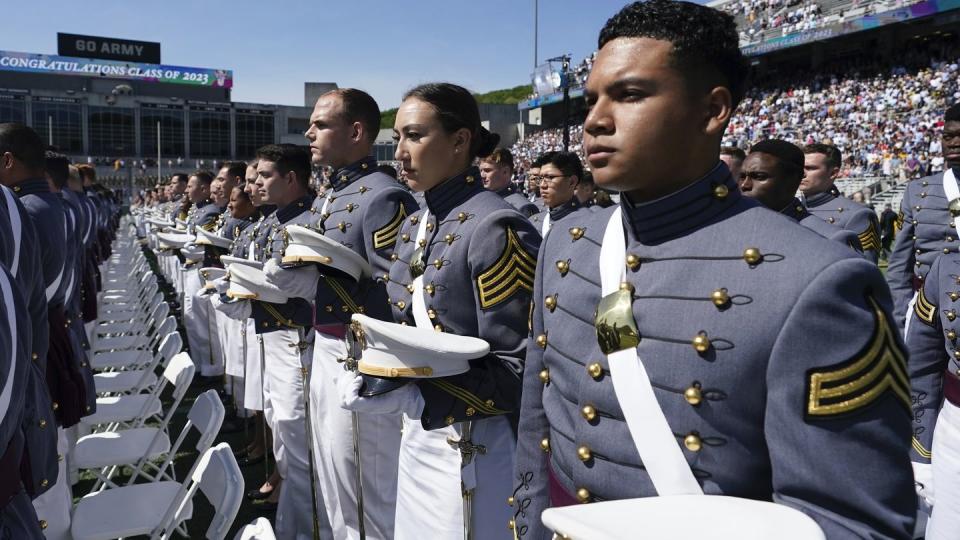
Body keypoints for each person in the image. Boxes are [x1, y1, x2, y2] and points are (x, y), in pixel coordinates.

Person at [511, 2, 914, 538]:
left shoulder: (817, 279)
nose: (593, 120)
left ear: (713, 110)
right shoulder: (573, 240)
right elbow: (540, 417)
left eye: (629, 95)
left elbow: (848, 522)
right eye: (591, 100)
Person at [340, 83, 540, 539]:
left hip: (474, 446)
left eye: (415, 135)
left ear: (460, 140)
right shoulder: (415, 220)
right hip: (419, 434)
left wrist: (414, 389)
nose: (401, 152)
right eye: (398, 137)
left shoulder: (497, 227)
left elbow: (519, 370)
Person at [294, 87, 417, 540]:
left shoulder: (383, 196)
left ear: (357, 131)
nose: (309, 132)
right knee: (330, 468)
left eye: (321, 124)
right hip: (324, 345)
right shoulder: (333, 192)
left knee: (365, 482)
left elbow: (393, 295)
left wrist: (332, 285)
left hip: (358, 354)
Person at [0, 124, 79, 539]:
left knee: (47, 482)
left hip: (33, 348)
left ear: (8, 160)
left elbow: (32, 294)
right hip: (42, 340)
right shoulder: (47, 204)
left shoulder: (26, 207)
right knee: (57, 464)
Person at [252, 144, 330, 539]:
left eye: (265, 175)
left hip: (299, 342)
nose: (257, 183)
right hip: (276, 337)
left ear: (292, 179)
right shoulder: (276, 220)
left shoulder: (308, 221)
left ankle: (309, 530)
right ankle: (292, 522)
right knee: (283, 438)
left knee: (301, 448)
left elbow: (315, 292)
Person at [887, 103, 960, 329]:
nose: (954, 142)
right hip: (928, 314)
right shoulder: (917, 190)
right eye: (948, 136)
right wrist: (901, 319)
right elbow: (900, 264)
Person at [739, 139, 861, 250]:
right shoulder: (729, 227)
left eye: (759, 177)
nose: (745, 185)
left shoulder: (832, 240)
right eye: (742, 176)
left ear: (792, 180)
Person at [802, 143, 882, 263]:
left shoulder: (858, 215)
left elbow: (863, 271)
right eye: (800, 167)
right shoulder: (789, 208)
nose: (802, 173)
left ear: (833, 173)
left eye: (811, 168)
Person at [529, 151, 589, 236]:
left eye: (550, 177)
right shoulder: (534, 222)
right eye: (540, 178)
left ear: (572, 182)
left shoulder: (589, 222)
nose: (542, 185)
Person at [480, 148, 539, 217]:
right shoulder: (482, 200)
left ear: (505, 172)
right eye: (481, 171)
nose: (482, 175)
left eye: (487, 170)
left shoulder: (522, 207)